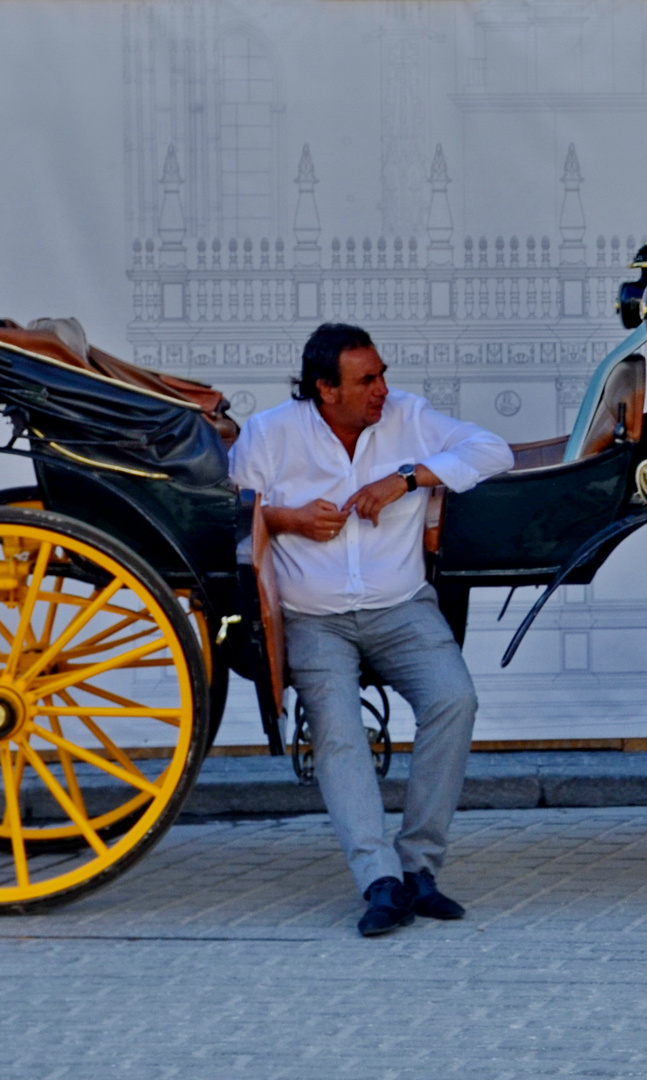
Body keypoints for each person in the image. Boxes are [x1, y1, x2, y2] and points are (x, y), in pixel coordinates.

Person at [230, 323, 514, 936]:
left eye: (383, 373)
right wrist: (288, 519)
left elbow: (494, 451)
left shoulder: (407, 416)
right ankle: (378, 879)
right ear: (325, 389)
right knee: (336, 730)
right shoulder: (270, 432)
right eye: (368, 379)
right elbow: (232, 509)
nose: (384, 388)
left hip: (401, 607)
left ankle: (419, 869)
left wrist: (408, 477)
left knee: (454, 700)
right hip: (313, 616)